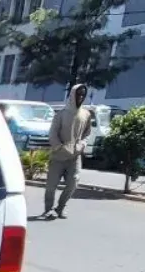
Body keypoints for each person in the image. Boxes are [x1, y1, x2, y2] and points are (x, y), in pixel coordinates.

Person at [42, 83, 90, 220]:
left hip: (75, 157)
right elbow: (52, 134)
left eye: (83, 94)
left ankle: (60, 207)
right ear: (72, 95)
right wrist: (60, 147)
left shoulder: (86, 115)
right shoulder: (61, 114)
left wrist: (82, 144)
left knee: (73, 184)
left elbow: (87, 134)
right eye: (78, 94)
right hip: (58, 156)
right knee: (51, 186)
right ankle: (48, 209)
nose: (80, 97)